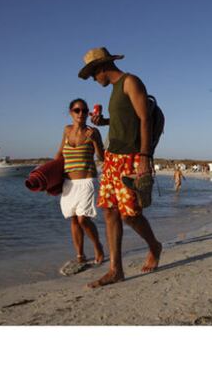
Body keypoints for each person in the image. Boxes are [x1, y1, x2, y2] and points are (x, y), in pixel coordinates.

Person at [78, 47, 162, 288]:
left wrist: (145, 156)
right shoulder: (115, 90)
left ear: (102, 68)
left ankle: (154, 246)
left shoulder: (130, 82)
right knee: (109, 211)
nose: (94, 79)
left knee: (130, 215)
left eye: (94, 74)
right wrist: (102, 122)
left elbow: (144, 118)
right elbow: (124, 120)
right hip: (113, 158)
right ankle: (116, 270)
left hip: (132, 157)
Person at [54, 98, 105, 267]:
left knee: (83, 219)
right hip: (68, 183)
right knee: (74, 220)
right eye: (77, 110)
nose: (81, 113)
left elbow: (102, 157)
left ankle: (97, 246)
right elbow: (60, 154)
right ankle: (80, 254)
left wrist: (96, 141)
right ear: (71, 113)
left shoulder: (94, 131)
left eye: (84, 110)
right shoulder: (66, 130)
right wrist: (48, 174)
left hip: (87, 181)